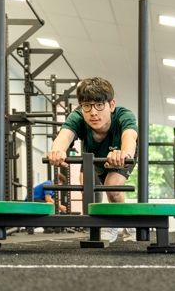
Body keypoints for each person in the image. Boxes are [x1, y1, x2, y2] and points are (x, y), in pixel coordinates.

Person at [46, 77, 138, 243]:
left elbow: (130, 136)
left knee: (112, 187)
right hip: (97, 160)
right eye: (87, 105)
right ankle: (127, 222)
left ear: (111, 105)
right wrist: (57, 151)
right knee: (113, 194)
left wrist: (125, 154)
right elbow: (64, 136)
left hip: (123, 156)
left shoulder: (124, 115)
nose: (93, 112)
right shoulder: (78, 117)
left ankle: (114, 224)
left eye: (99, 105)